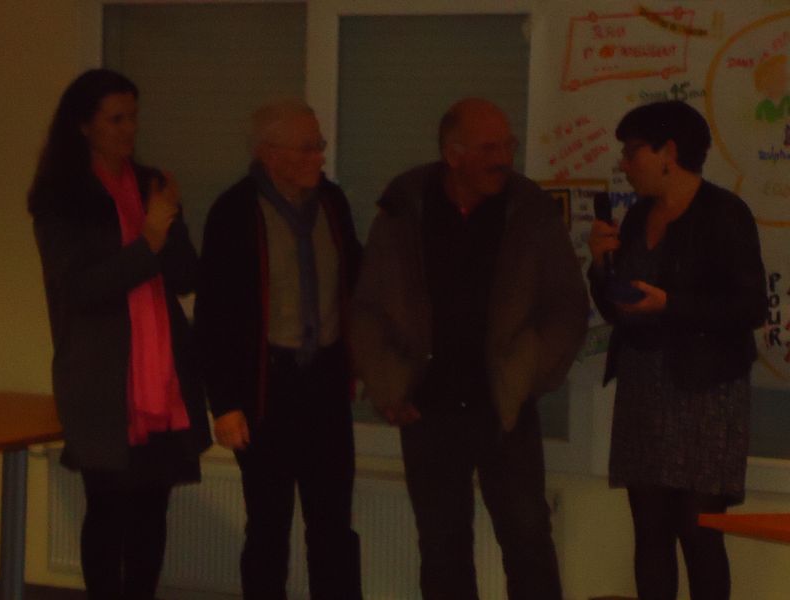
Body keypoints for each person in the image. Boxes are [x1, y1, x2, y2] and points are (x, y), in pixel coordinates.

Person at [350, 97, 588, 600]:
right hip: (426, 409)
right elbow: (369, 308)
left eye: (508, 145)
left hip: (504, 408)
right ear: (453, 154)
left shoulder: (529, 211)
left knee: (528, 541)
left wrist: (527, 373)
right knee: (442, 547)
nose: (504, 158)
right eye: (489, 148)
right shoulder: (403, 209)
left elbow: (567, 305)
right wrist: (388, 386)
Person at [28, 69, 211, 600]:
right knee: (107, 509)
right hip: (102, 381)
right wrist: (147, 242)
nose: (129, 129)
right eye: (116, 119)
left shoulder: (151, 183)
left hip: (162, 380)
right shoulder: (60, 197)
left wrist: (170, 225)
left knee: (153, 510)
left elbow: (186, 277)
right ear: (83, 125)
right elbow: (79, 290)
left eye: (133, 117)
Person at [587, 100, 767, 600]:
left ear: (669, 152)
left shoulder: (724, 213)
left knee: (699, 533)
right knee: (650, 532)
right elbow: (618, 308)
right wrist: (600, 266)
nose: (624, 163)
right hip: (643, 387)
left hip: (706, 391)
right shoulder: (638, 215)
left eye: (633, 151)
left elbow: (750, 306)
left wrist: (671, 304)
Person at [194, 99, 363, 600]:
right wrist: (224, 404)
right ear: (270, 154)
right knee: (268, 528)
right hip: (266, 389)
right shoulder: (235, 212)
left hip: (325, 385)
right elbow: (214, 316)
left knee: (333, 526)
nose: (319, 155)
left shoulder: (331, 202)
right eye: (307, 147)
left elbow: (356, 281)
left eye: (319, 145)